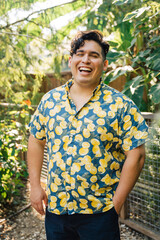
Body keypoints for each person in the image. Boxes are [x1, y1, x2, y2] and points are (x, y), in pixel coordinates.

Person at [27, 30, 148, 240]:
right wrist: (36, 186)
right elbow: (36, 141)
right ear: (71, 60)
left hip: (100, 214)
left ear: (105, 64)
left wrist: (115, 204)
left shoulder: (120, 105)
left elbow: (136, 156)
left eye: (94, 55)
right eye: (80, 53)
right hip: (57, 212)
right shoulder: (50, 101)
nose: (86, 60)